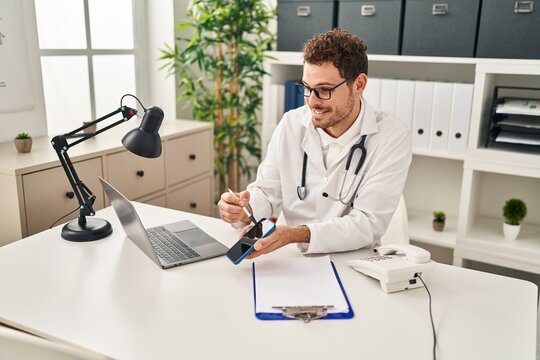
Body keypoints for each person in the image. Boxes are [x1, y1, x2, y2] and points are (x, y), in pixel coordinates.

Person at [218, 28, 412, 259]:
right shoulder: (291, 124)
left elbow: (368, 224)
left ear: (358, 85)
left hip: (352, 260)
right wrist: (242, 210)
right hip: (289, 257)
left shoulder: (391, 136)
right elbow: (267, 192)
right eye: (307, 88)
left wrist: (294, 235)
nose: (312, 102)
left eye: (324, 90)